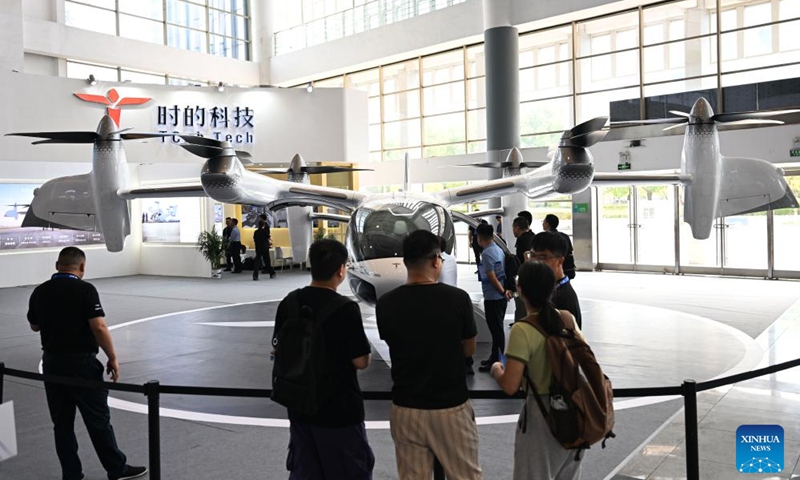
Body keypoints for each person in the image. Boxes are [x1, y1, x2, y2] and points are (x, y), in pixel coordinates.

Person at [27, 247, 148, 480]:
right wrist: (112, 357)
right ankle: (116, 468)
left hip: (52, 363)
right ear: (82, 267)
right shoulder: (85, 290)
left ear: (57, 265)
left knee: (61, 423)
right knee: (98, 419)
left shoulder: (40, 291)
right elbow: (99, 326)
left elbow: (35, 326)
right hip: (81, 364)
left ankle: (71, 473)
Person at [376, 230, 482, 480]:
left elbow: (393, 342)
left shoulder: (387, 303)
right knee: (465, 475)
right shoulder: (457, 299)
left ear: (406, 262)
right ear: (436, 260)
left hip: (405, 407)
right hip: (450, 407)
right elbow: (469, 349)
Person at [272, 239, 374, 479]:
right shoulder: (345, 308)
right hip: (339, 410)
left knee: (306, 471)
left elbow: (277, 348)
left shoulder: (290, 302)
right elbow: (360, 361)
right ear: (341, 270)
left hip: (300, 405)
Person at [490, 261, 585, 480]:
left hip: (542, 416)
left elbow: (510, 385)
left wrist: (497, 369)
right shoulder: (566, 319)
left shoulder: (523, 330)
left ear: (520, 290)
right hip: (575, 411)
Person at [475, 223, 512, 373]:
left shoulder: (486, 253)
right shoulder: (497, 249)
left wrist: (502, 292)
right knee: (497, 329)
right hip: (499, 297)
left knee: (496, 330)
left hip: (494, 297)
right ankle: (494, 357)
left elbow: (491, 276)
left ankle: (498, 360)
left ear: (480, 237)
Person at [531, 232, 583, 329]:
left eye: (543, 257)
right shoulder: (549, 287)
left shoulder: (562, 298)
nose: (535, 262)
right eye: (532, 255)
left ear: (560, 261)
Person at [511, 216, 535, 322]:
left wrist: (523, 278)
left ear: (517, 227)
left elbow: (527, 257)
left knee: (521, 305)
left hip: (526, 277)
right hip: (535, 275)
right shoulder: (533, 236)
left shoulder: (522, 240)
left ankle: (521, 325)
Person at [542, 214, 575, 279]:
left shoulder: (544, 237)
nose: (542, 223)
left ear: (547, 224)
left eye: (543, 221)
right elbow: (570, 251)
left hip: (551, 269)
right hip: (566, 269)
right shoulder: (565, 236)